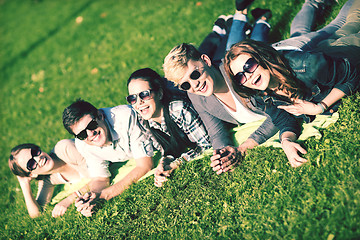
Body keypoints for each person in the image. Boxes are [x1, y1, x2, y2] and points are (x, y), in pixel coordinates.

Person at [223, 39, 359, 167]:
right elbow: (284, 120)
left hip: (349, 50)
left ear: (262, 57)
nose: (248, 76)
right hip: (326, 51)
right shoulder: (260, 94)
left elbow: (353, 75)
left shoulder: (307, 66)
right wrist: (286, 141)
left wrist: (320, 107)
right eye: (240, 76)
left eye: (249, 65)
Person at [62, 99, 154, 216]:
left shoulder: (125, 118)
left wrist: (105, 195)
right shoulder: (82, 144)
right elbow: (101, 178)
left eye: (91, 125)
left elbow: (145, 165)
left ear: (100, 116)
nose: (90, 134)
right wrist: (93, 196)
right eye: (82, 134)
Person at [126, 68, 211, 187]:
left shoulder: (178, 109)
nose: (139, 102)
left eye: (144, 95)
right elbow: (167, 148)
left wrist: (177, 163)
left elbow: (206, 145)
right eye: (132, 98)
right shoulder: (143, 121)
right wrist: (164, 162)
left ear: (160, 93)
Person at [8, 139, 90, 218]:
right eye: (31, 163)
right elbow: (37, 214)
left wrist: (69, 199)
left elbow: (101, 178)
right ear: (31, 174)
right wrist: (24, 184)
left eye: (35, 152)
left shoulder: (65, 149)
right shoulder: (48, 179)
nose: (38, 158)